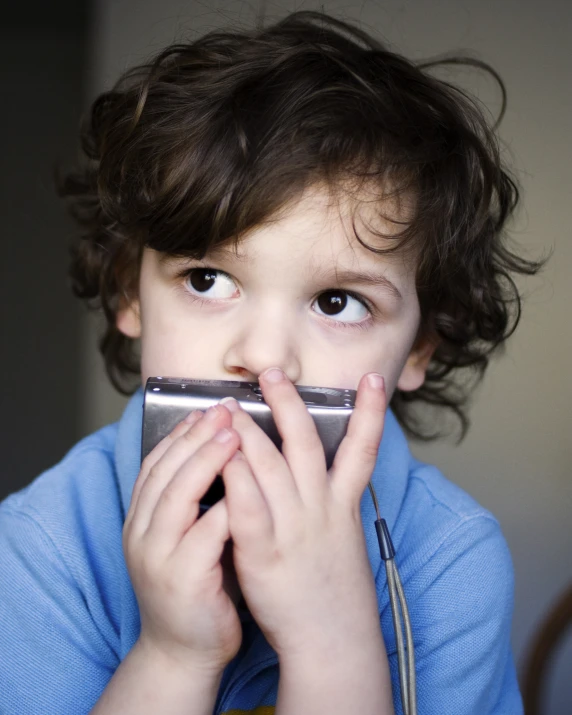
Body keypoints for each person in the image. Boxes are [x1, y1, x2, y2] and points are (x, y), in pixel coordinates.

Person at [0, 9, 545, 715]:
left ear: (418, 348)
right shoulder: (44, 548)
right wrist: (173, 653)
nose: (263, 355)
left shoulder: (451, 560)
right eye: (207, 280)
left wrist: (330, 642)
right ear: (127, 292)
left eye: (338, 301)